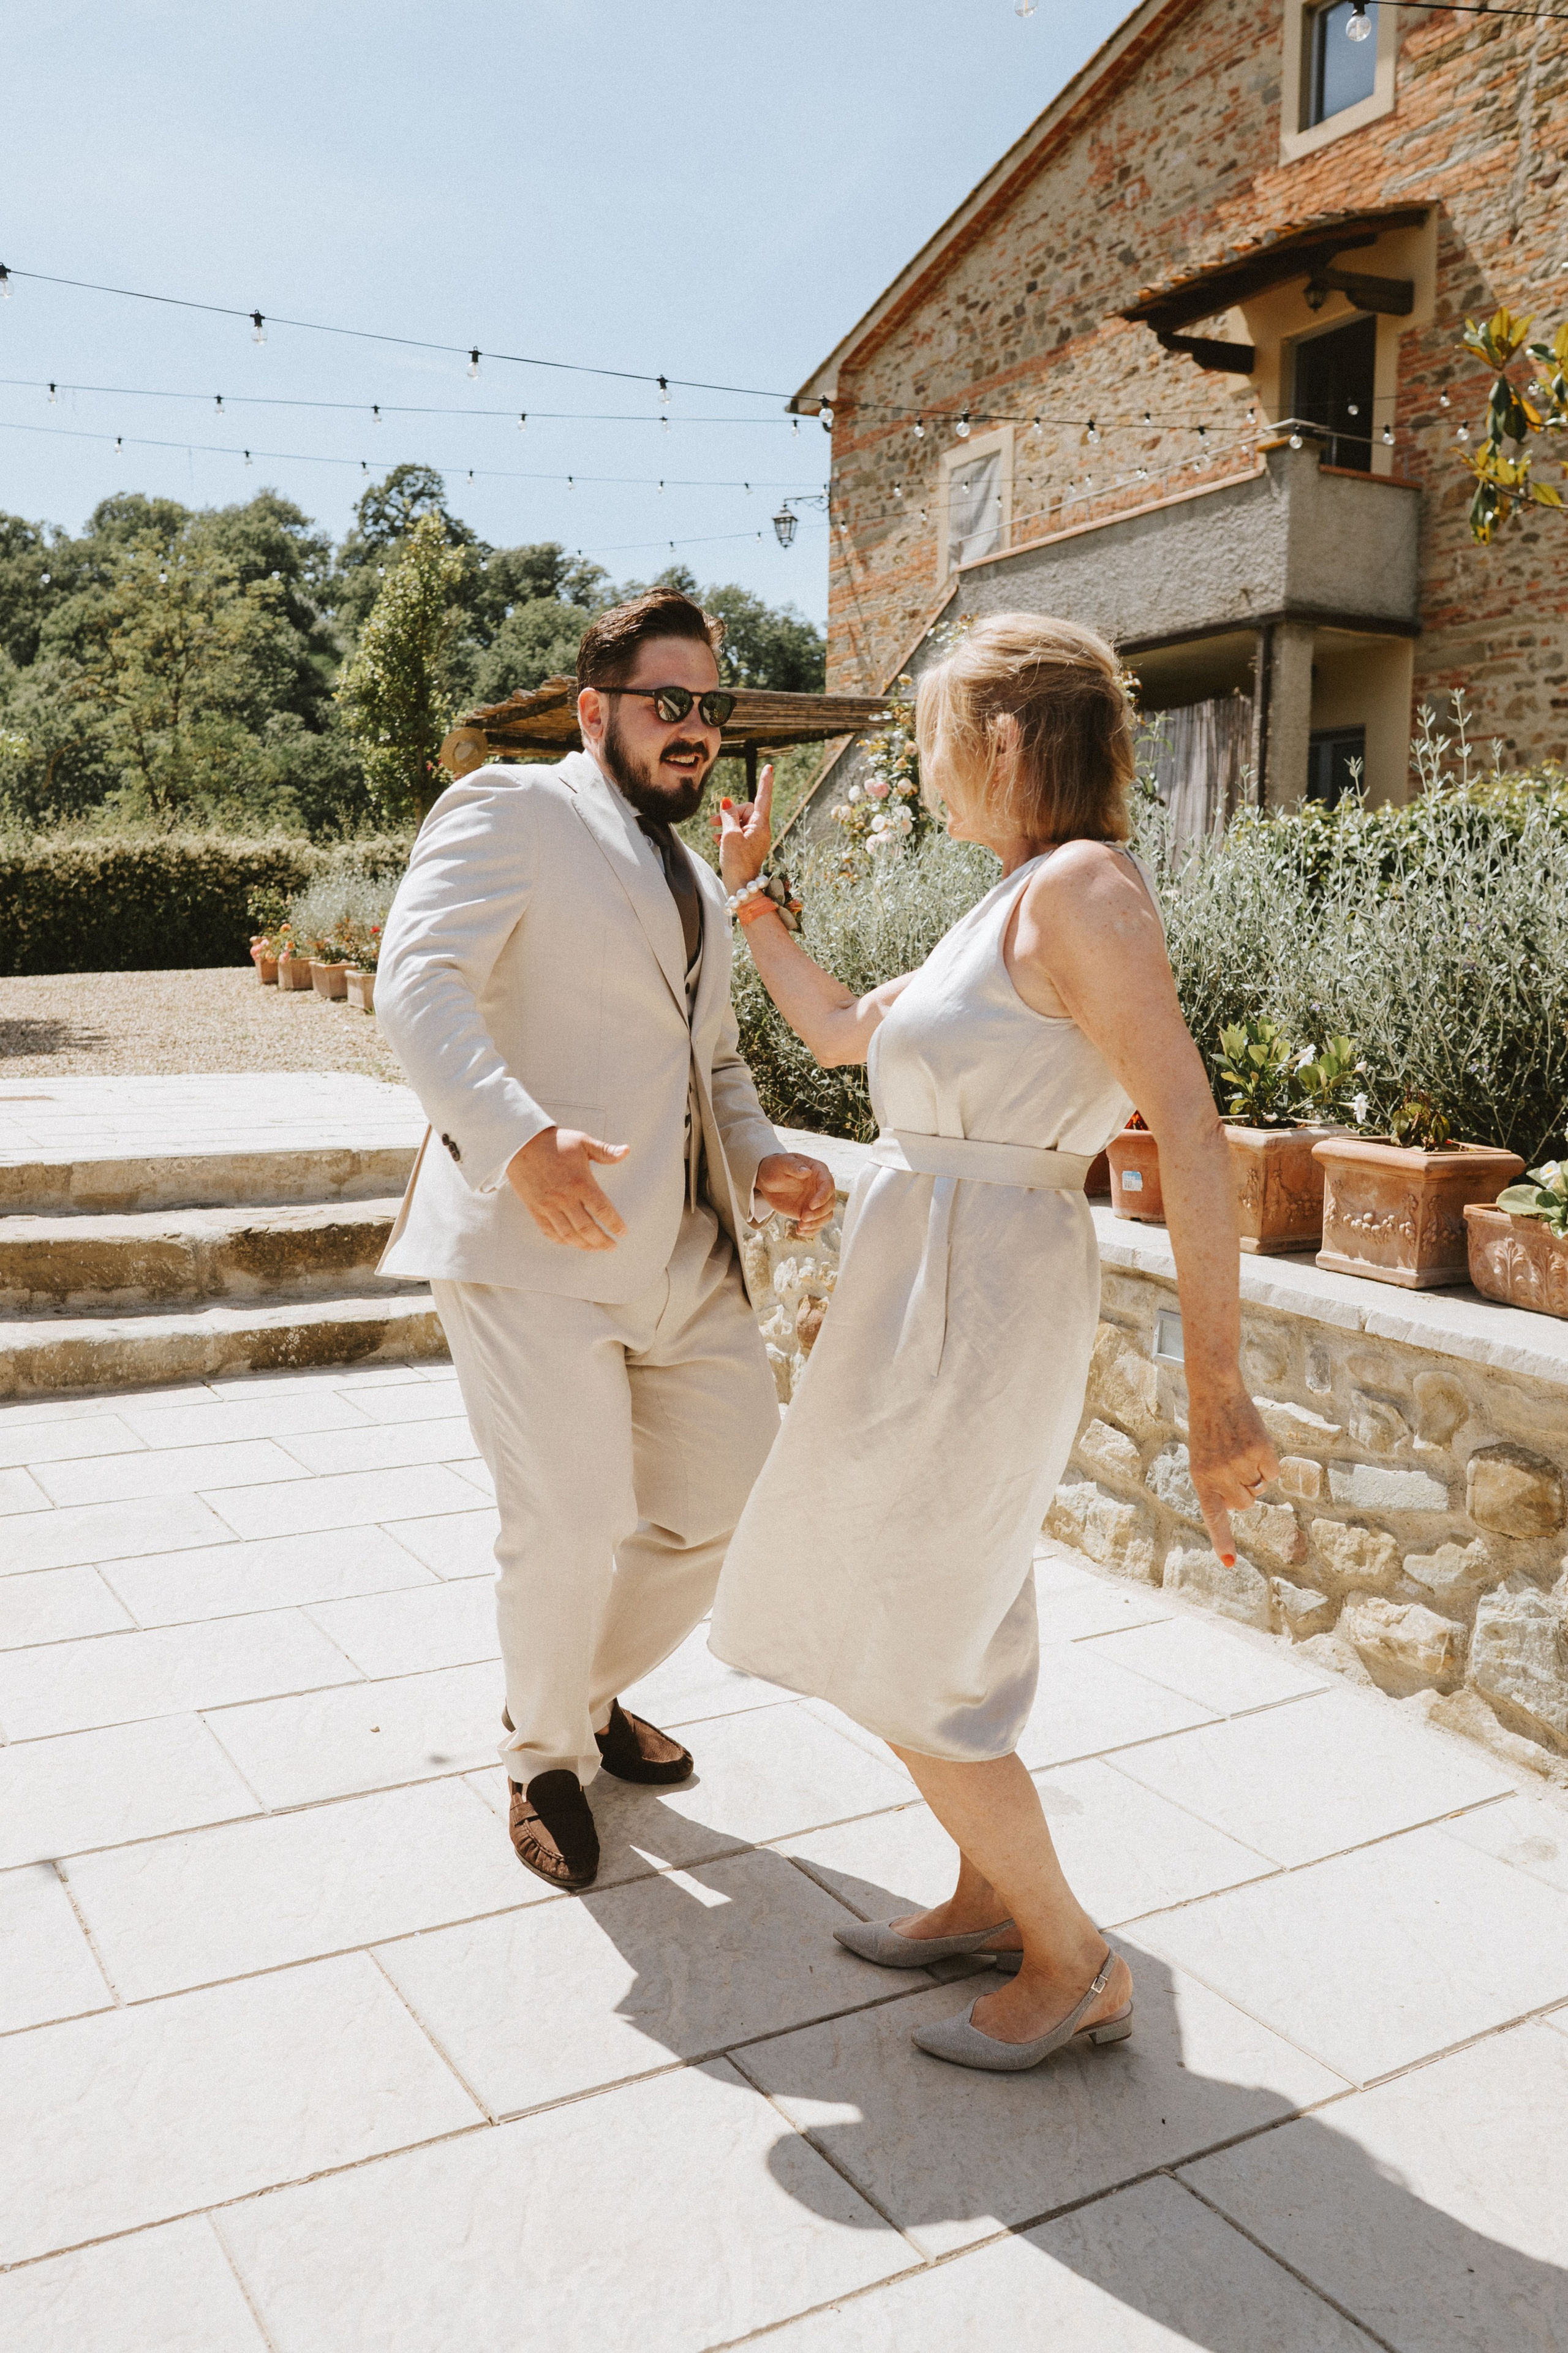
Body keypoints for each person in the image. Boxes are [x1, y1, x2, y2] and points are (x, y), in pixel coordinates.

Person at [709, 614, 1277, 2073]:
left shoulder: (1083, 888)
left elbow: (1191, 1130)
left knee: (905, 1620)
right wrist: (751, 894)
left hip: (986, 1296)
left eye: (931, 736)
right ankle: (986, 1898)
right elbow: (838, 1030)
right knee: (928, 1602)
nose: (920, 768)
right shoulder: (1008, 899)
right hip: (927, 1286)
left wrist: (1218, 1389)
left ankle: (1073, 1961)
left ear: (1010, 741)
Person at [375, 586, 835, 1892]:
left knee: (724, 1501)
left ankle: (583, 1692)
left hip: (685, 1259)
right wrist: (517, 1140)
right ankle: (540, 1756)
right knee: (569, 1525)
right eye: (665, 704)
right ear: (594, 711)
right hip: (534, 1245)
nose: (692, 729)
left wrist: (766, 1160)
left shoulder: (694, 874)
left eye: (709, 707)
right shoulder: (512, 808)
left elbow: (719, 1069)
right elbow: (417, 983)